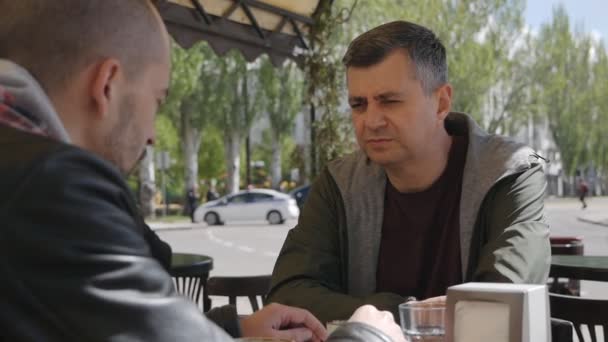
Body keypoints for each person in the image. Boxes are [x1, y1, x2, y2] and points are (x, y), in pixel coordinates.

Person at [0, 1, 404, 341]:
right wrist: (368, 335)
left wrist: (233, 328)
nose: (153, 136)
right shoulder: (51, 186)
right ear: (107, 84)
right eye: (157, 101)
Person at [267, 20, 551, 323]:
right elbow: (288, 295)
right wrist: (395, 312)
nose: (371, 120)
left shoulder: (512, 172)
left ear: (441, 102)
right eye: (358, 104)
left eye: (389, 101)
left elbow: (501, 304)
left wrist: (375, 315)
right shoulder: (340, 182)